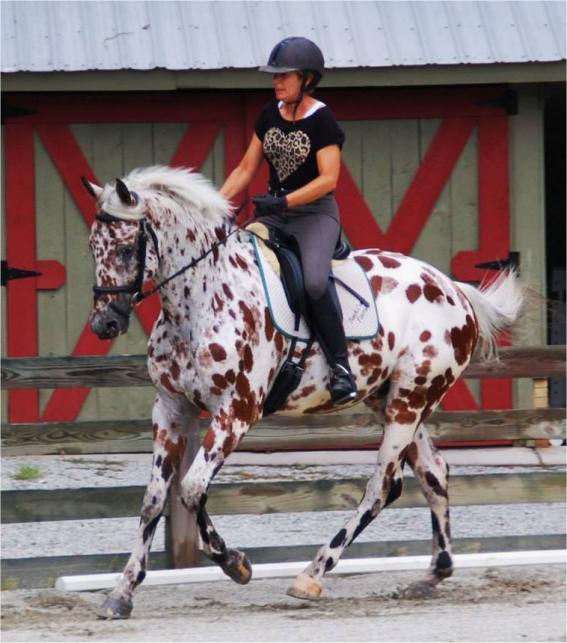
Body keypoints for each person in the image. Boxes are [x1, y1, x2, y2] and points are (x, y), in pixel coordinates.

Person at [220, 36, 357, 405]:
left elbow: (329, 179)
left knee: (313, 282)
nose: (277, 83)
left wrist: (283, 200)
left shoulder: (323, 120)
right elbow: (246, 167)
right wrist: (215, 205)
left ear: (308, 80)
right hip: (275, 215)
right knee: (236, 264)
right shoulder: (268, 115)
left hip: (315, 215)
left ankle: (342, 368)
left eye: (285, 76)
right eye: (275, 77)